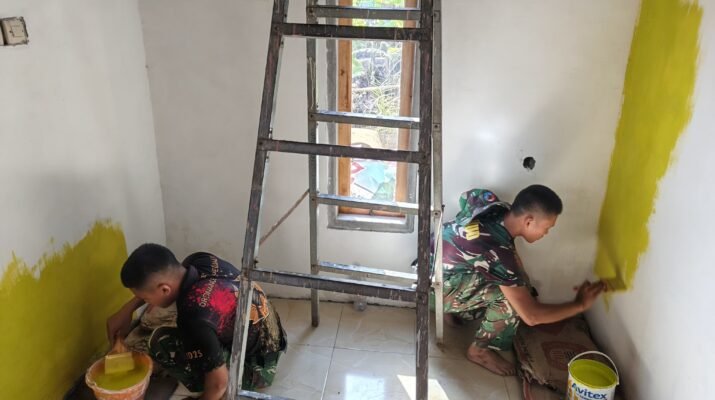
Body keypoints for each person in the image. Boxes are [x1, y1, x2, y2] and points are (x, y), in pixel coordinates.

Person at [438, 185, 605, 376]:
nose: (546, 233)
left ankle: (452, 312)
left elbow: (466, 196)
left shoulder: (492, 205)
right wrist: (580, 304)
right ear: (529, 221)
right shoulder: (499, 254)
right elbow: (531, 317)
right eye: (547, 228)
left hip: (428, 268)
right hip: (435, 291)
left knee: (516, 285)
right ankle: (479, 352)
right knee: (510, 300)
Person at [106, 244, 287, 399]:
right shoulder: (200, 260)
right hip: (272, 335)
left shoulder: (193, 318)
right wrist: (126, 311)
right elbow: (162, 287)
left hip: (258, 368)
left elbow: (219, 384)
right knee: (200, 327)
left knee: (161, 343)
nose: (145, 301)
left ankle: (231, 382)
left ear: (164, 289)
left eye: (145, 298)